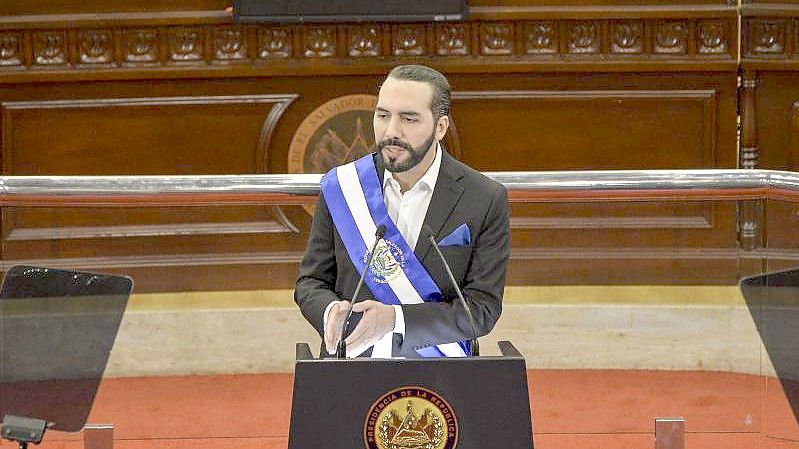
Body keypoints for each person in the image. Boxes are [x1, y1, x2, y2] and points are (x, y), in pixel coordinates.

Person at [294, 64, 510, 358]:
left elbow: (482, 309)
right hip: (352, 366)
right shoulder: (343, 187)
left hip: (441, 372)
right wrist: (330, 311)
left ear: (441, 127)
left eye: (409, 119)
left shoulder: (484, 198)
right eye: (383, 116)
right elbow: (312, 282)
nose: (391, 131)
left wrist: (394, 320)